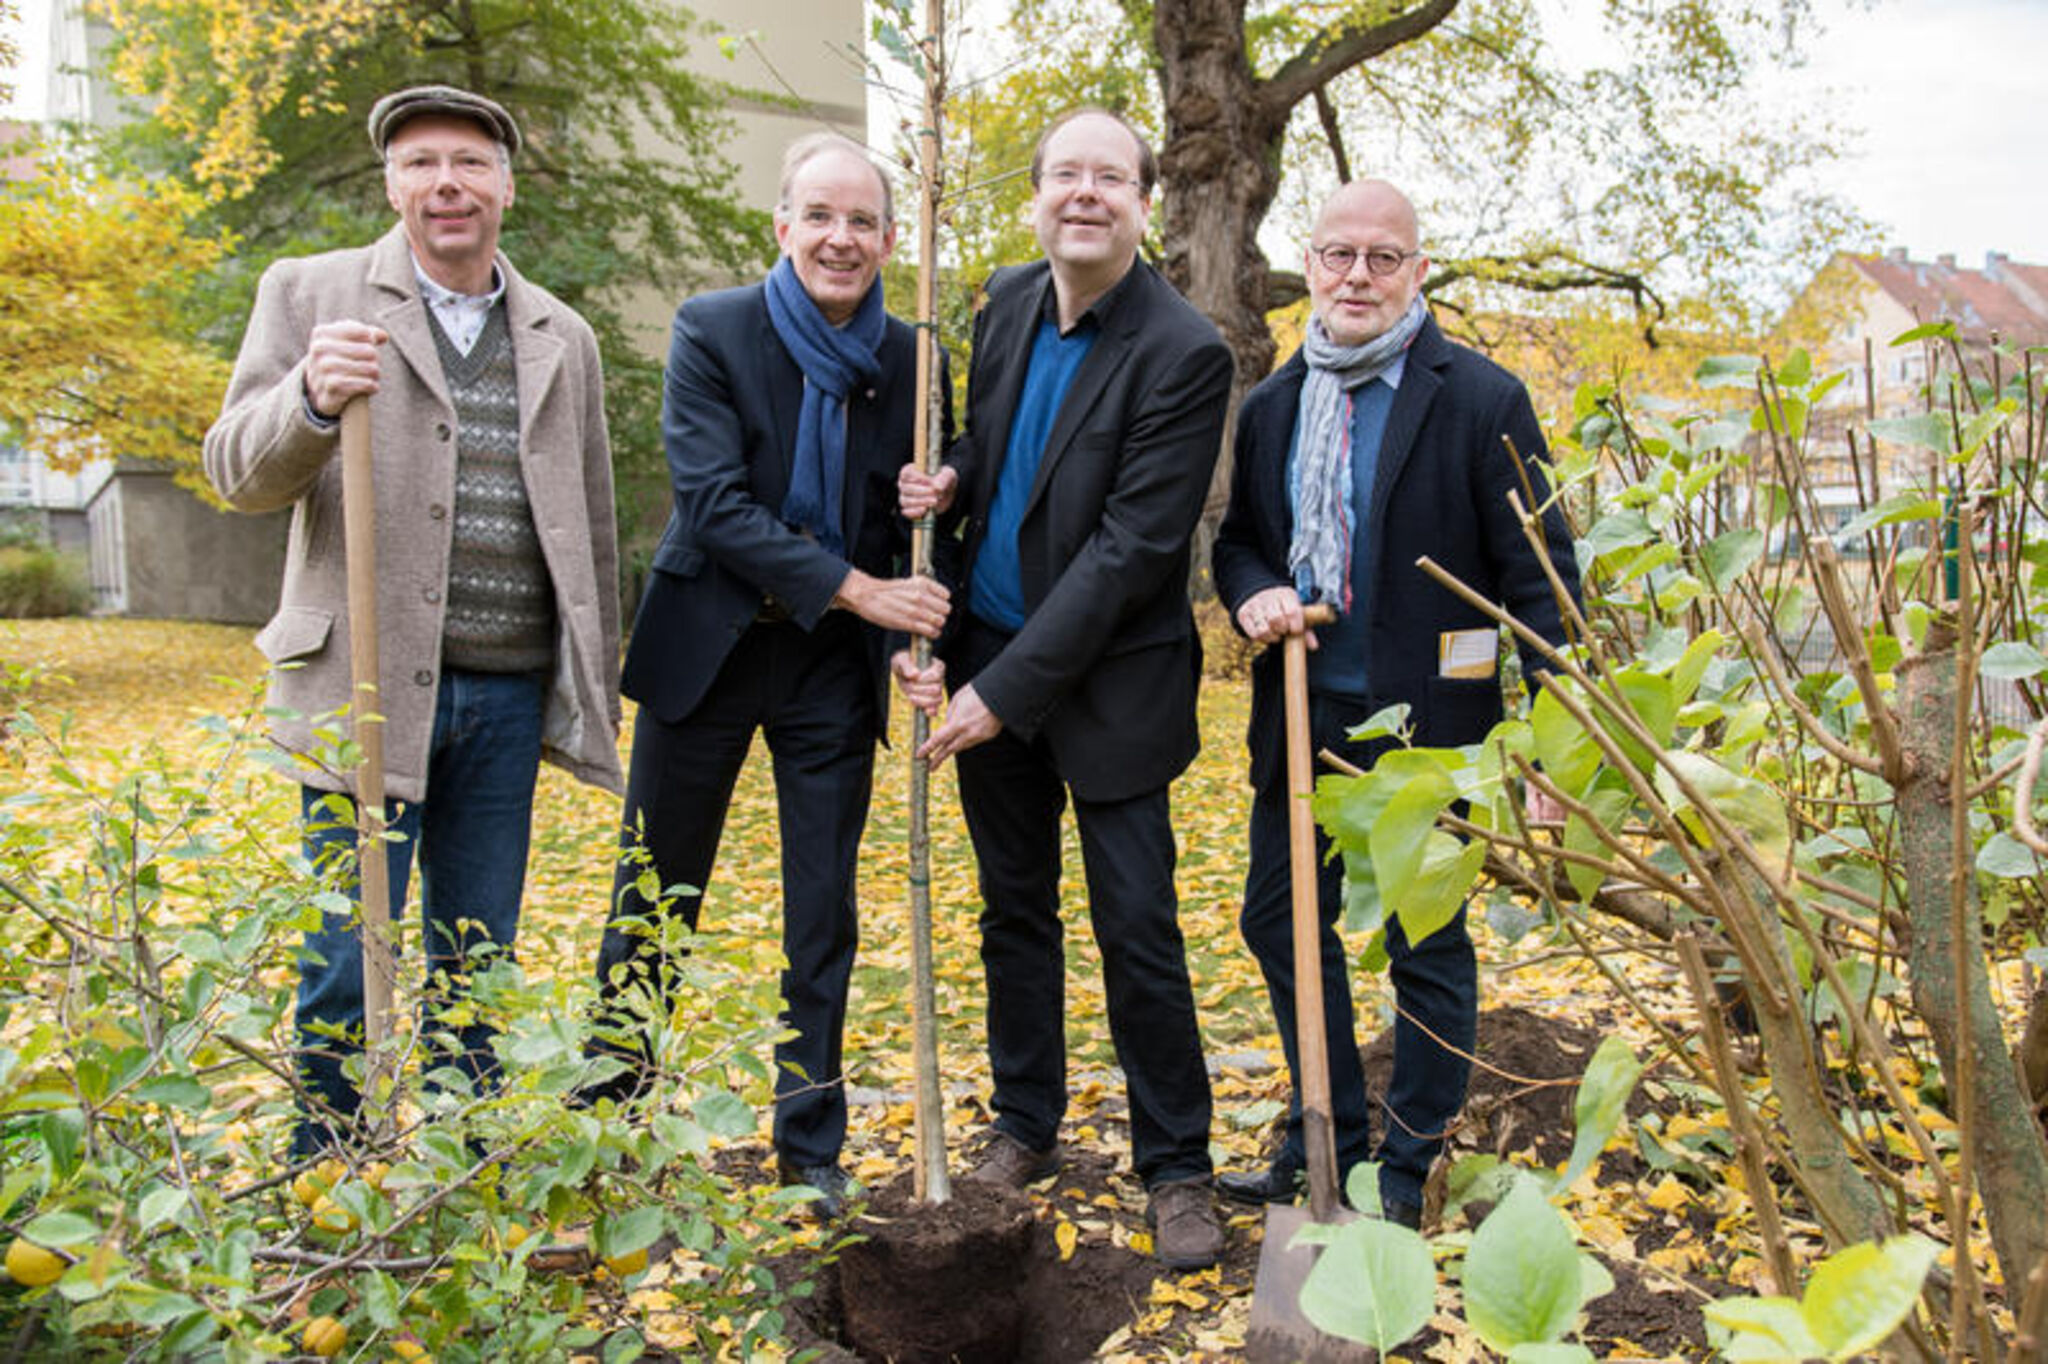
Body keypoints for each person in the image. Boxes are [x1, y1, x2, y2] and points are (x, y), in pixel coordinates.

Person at [203, 85, 623, 1155]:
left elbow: (591, 521)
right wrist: (305, 397)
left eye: (472, 163)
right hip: (364, 690)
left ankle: (453, 1175)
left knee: (475, 956)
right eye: (423, 161)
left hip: (503, 689)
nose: (448, 182)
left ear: (506, 186)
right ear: (391, 182)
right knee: (346, 957)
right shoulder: (313, 295)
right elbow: (233, 471)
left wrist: (591, 675)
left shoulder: (558, 335)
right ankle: (332, 1178)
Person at [584, 133, 949, 1216]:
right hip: (707, 647)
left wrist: (907, 623)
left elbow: (923, 505)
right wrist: (863, 590)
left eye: (862, 222)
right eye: (819, 217)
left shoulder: (917, 354)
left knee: (821, 911)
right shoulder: (713, 329)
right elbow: (713, 503)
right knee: (654, 899)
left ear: (889, 238)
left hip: (829, 673)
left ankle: (809, 1147)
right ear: (780, 227)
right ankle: (611, 1117)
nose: (841, 239)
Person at [895, 108, 1232, 1270]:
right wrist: (949, 478)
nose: (1082, 194)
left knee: (1135, 924)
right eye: (1062, 176)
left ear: (1143, 202)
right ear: (1034, 196)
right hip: (985, 646)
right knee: (1011, 913)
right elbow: (997, 445)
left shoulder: (1185, 352)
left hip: (1107, 687)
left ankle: (1176, 1164)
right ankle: (1025, 1122)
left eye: (1108, 178)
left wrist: (1003, 688)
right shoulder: (1000, 302)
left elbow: (1134, 553)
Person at [1209, 179, 1580, 1227]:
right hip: (1303, 717)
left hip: (1433, 725)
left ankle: (1408, 1162)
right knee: (1280, 921)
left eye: (1381, 256)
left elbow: (1539, 575)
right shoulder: (1273, 404)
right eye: (1336, 255)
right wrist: (1252, 594)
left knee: (1424, 937)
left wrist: (1554, 739)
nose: (1357, 275)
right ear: (1311, 267)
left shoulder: (1478, 396)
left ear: (1417, 269)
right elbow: (1236, 540)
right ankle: (1327, 1129)